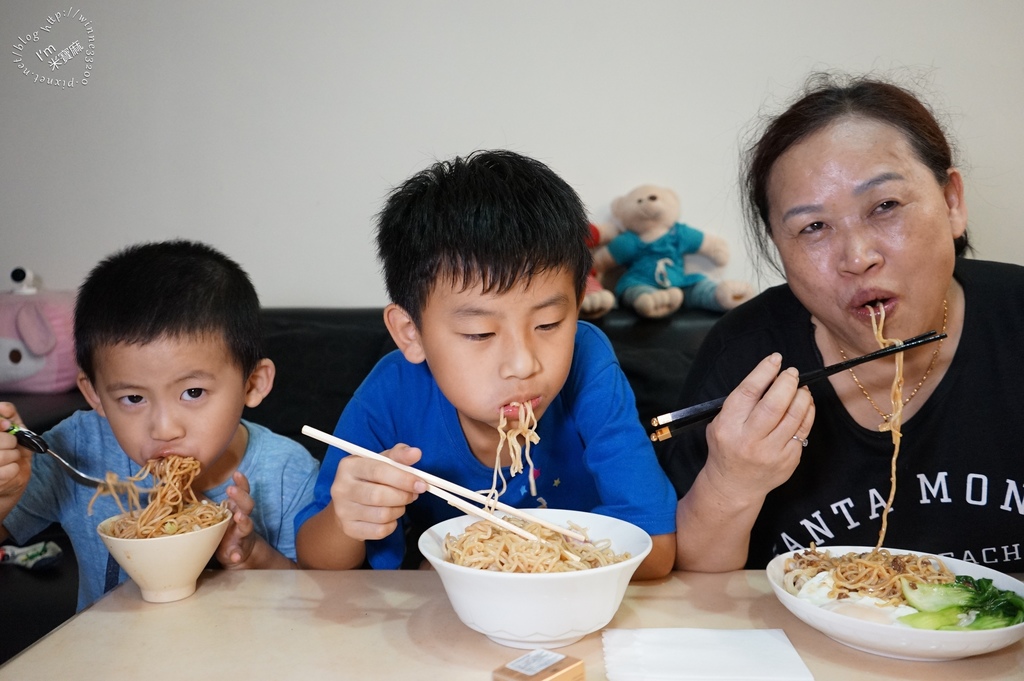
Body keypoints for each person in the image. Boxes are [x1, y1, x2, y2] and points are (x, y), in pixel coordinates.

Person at [659, 73, 1024, 574]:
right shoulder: (746, 356)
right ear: (777, 249)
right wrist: (731, 481)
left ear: (952, 202)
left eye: (885, 206)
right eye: (813, 228)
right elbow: (693, 588)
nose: (857, 257)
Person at [294, 150, 680, 578]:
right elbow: (317, 560)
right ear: (411, 332)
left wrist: (529, 567)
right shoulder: (391, 392)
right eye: (479, 334)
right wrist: (350, 515)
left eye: (549, 324)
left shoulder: (589, 363)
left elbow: (656, 548)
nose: (522, 364)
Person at [0, 239, 320, 610]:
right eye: (133, 399)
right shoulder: (77, 448)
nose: (164, 429)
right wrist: (5, 497)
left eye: (194, 392)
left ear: (253, 383)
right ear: (94, 394)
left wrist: (253, 556)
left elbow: (317, 605)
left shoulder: (286, 473)